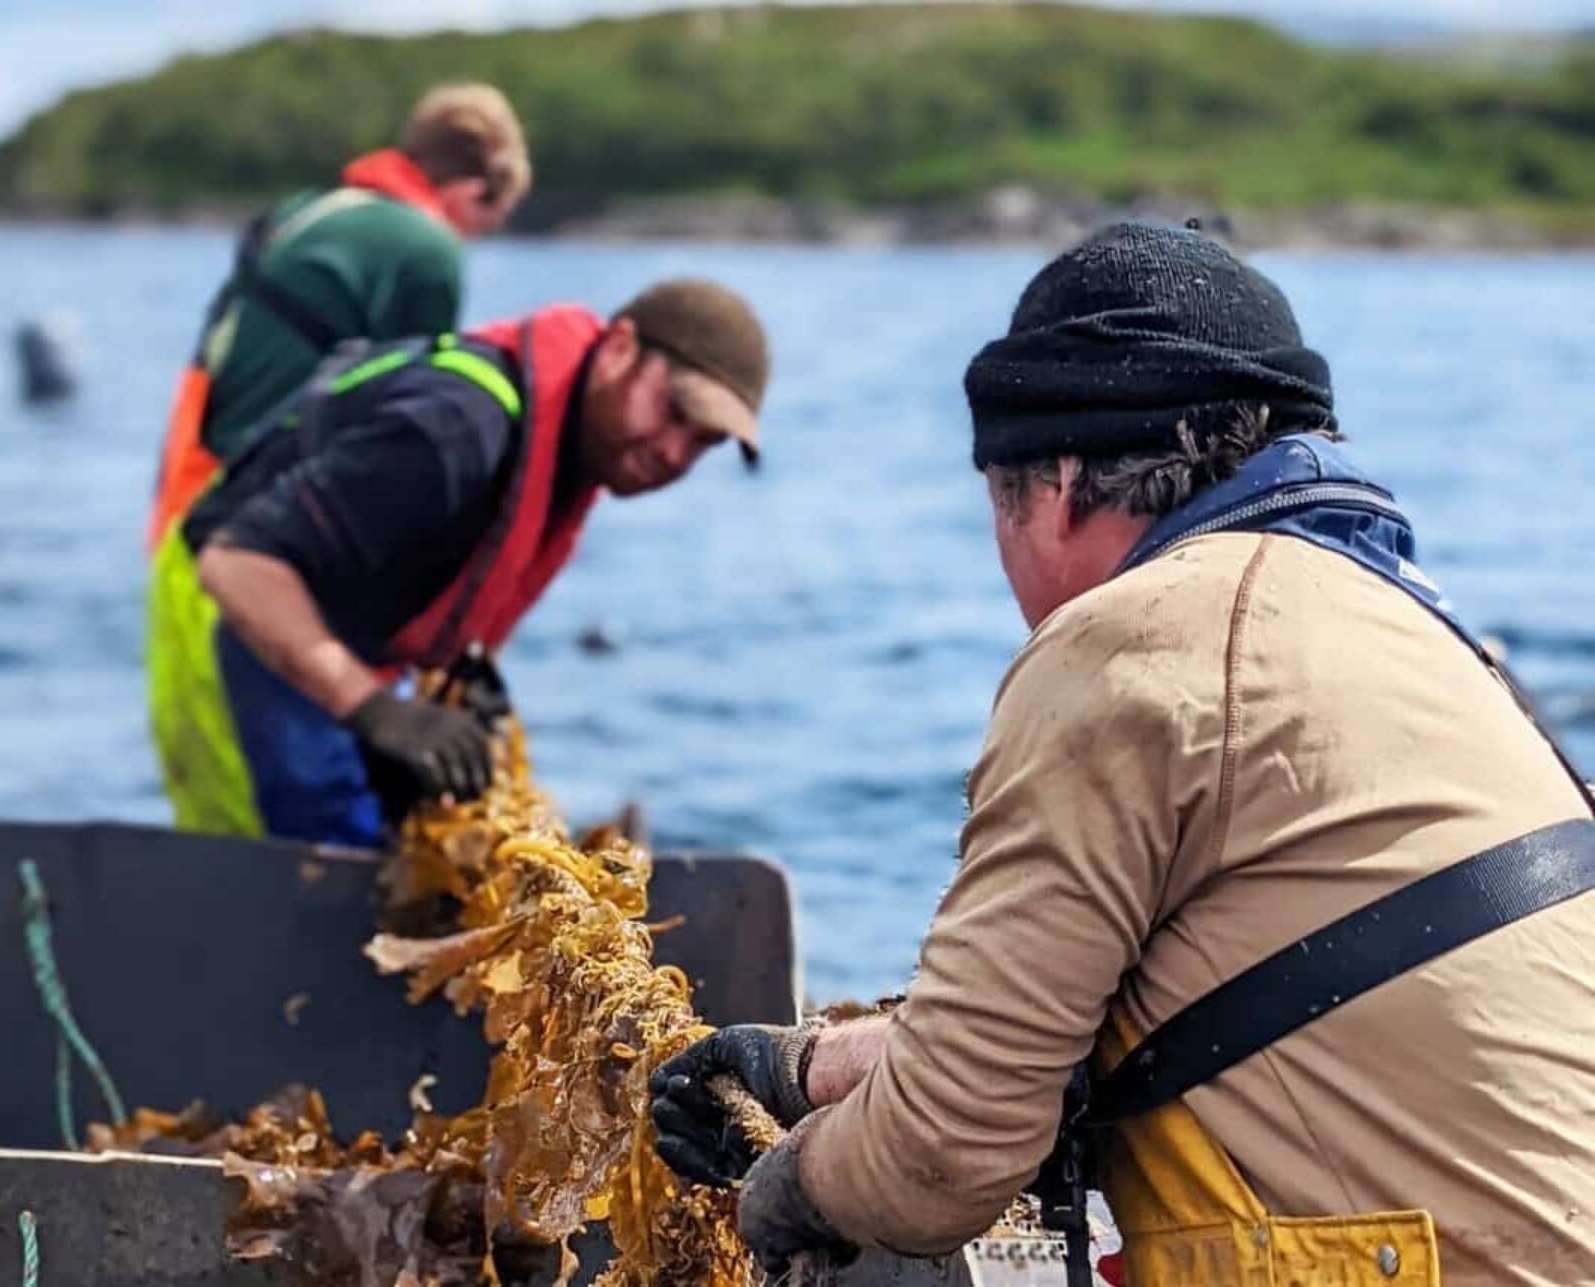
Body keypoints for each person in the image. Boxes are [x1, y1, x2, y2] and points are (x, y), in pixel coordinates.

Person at [650, 224, 1595, 1286]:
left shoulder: (1131, 639)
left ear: (1051, 481)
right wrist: (809, 1066)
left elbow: (944, 1153)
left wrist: (789, 1185)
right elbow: (1136, 1001)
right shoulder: (1417, 638)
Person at [147, 279, 769, 846]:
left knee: (392, 862)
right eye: (674, 412)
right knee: (285, 890)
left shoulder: (573, 455)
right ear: (619, 349)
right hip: (234, 615)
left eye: (702, 444)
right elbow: (236, 564)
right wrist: (374, 710)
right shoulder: (453, 431)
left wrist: (451, 701)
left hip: (336, 643)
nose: (673, 451)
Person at [147, 82, 532, 549]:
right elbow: (418, 419)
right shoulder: (429, 249)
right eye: (482, 229)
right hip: (261, 510)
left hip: (190, 483)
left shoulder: (312, 209)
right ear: (470, 195)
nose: (469, 243)